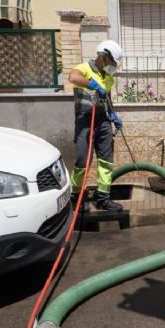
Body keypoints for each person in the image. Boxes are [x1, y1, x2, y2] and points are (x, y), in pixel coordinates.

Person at [68, 40, 124, 212]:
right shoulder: (84, 68)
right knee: (83, 161)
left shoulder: (109, 78)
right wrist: (92, 84)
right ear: (104, 57)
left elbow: (107, 98)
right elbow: (72, 77)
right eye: (113, 62)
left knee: (106, 162)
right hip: (86, 120)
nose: (114, 66)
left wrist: (113, 114)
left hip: (103, 120)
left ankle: (103, 198)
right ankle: (76, 196)